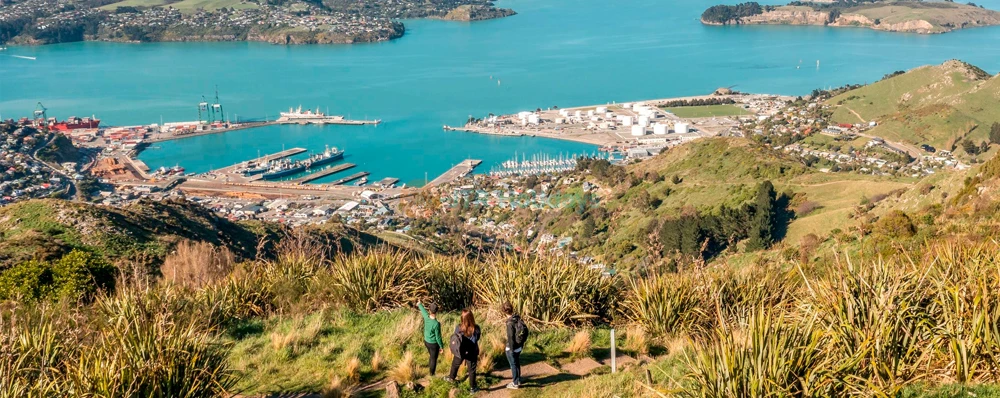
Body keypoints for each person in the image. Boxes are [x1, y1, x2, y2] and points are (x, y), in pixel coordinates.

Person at [446, 309, 482, 393]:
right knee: (472, 370)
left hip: (460, 351)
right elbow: (477, 338)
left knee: (455, 364)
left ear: (462, 318)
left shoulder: (458, 327)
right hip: (472, 352)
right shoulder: (476, 328)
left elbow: (455, 338)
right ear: (472, 317)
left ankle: (451, 378)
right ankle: (472, 388)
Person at [503, 301, 527, 389]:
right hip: (519, 346)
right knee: (517, 363)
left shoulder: (509, 323)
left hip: (512, 347)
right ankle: (518, 379)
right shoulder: (517, 318)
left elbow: (510, 337)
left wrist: (511, 349)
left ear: (504, 311)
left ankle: (515, 383)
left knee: (513, 365)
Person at [418, 301, 444, 376]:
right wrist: (441, 346)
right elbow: (438, 337)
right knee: (433, 359)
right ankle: (432, 374)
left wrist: (419, 304)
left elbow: (423, 310)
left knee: (431, 356)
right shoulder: (436, 324)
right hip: (433, 344)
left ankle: (430, 370)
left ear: (429, 310)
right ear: (436, 311)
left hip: (426, 341)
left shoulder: (426, 317)